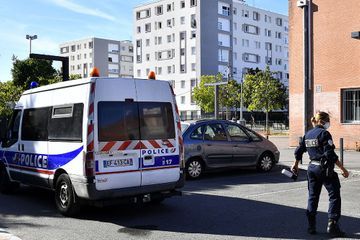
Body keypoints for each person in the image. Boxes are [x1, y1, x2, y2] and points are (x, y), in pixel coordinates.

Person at [291, 111, 349, 237]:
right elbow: (330, 154)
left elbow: (299, 151)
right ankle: (332, 225)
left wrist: (295, 164)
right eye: (328, 120)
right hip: (324, 168)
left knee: (313, 196)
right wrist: (343, 169)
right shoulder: (324, 133)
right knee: (334, 195)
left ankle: (311, 226)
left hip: (311, 168)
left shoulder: (308, 134)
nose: (329, 123)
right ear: (323, 121)